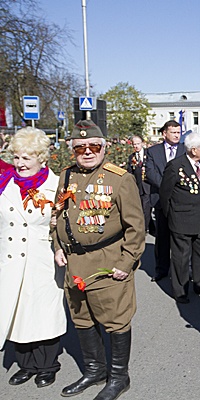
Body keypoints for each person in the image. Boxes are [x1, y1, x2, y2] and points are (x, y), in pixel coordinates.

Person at [53, 120, 145, 400]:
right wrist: (57, 245)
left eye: (94, 146)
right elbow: (57, 214)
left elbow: (136, 227)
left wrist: (126, 262)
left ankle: (119, 376)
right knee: (82, 320)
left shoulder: (120, 178)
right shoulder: (66, 175)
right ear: (73, 150)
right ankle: (94, 371)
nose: (88, 152)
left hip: (108, 263)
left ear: (104, 148)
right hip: (75, 263)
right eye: (80, 147)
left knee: (115, 321)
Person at [0, 127, 66, 388]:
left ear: (42, 158)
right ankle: (25, 364)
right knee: (17, 310)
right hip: (10, 258)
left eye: (27, 157)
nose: (20, 163)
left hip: (42, 258)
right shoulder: (4, 183)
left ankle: (48, 365)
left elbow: (63, 224)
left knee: (43, 312)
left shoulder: (56, 185)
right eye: (17, 157)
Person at [159, 133, 200, 303]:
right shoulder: (175, 166)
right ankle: (180, 290)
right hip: (181, 220)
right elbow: (165, 195)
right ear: (194, 150)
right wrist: (172, 217)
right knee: (181, 257)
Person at [145, 120, 185, 281]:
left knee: (180, 239)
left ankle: (180, 272)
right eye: (173, 132)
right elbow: (150, 173)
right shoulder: (153, 152)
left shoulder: (185, 150)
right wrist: (167, 187)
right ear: (164, 133)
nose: (177, 135)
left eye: (178, 132)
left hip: (181, 201)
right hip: (161, 200)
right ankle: (161, 269)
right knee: (162, 238)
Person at [127, 135, 151, 232]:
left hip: (148, 185)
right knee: (141, 207)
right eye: (134, 144)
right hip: (138, 186)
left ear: (142, 144)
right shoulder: (131, 157)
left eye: (138, 144)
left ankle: (144, 228)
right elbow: (130, 171)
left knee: (146, 208)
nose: (136, 146)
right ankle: (148, 226)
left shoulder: (149, 154)